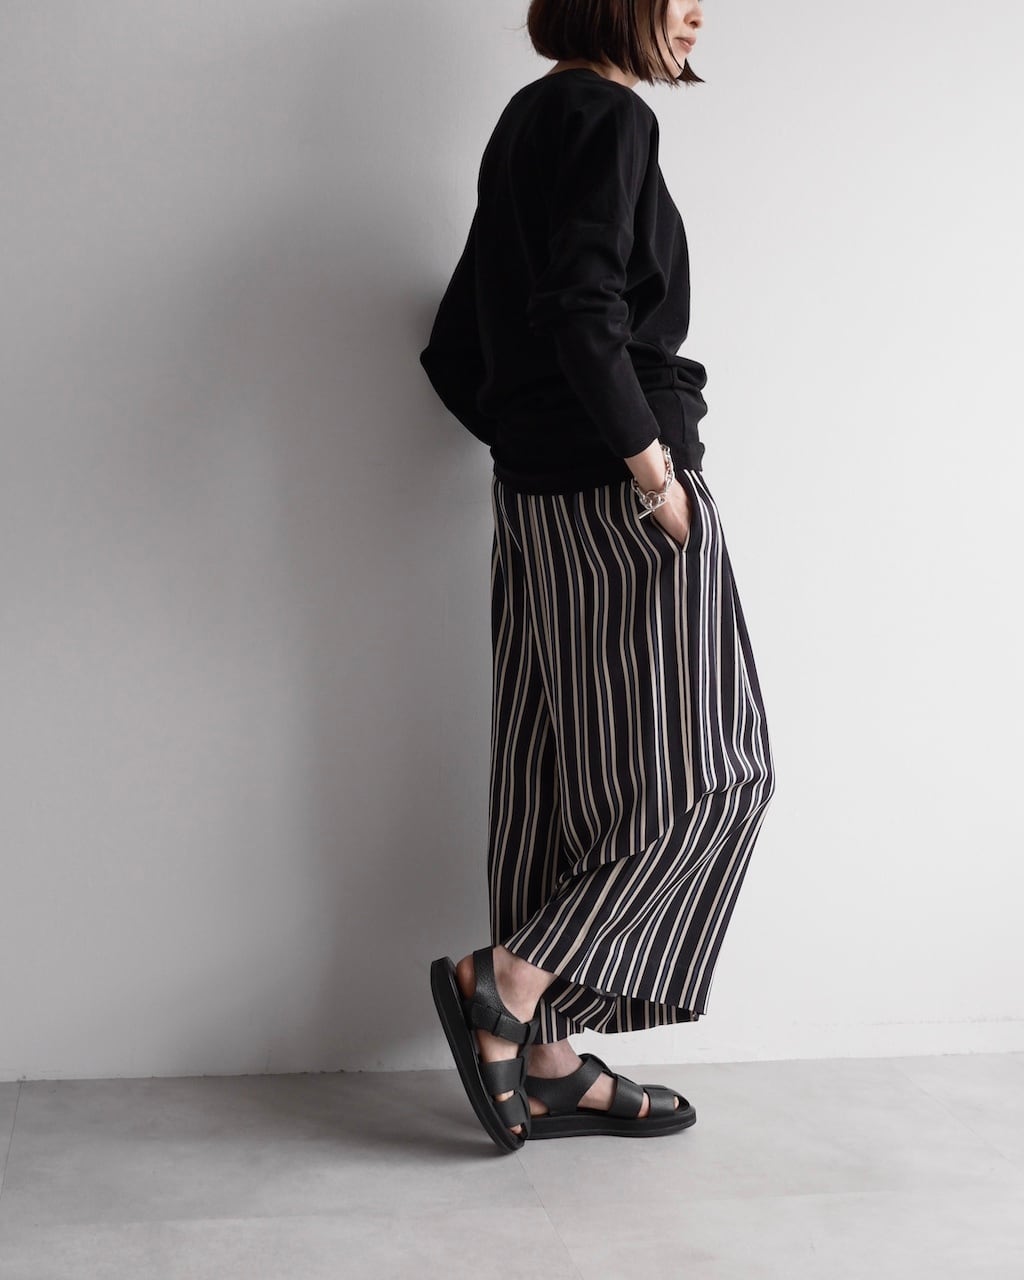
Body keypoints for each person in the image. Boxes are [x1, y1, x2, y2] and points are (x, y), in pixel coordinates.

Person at [420, 0, 777, 1153]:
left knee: (554, 786)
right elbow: (582, 314)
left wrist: (534, 445)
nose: (699, 10)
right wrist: (650, 475)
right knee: (718, 776)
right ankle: (508, 983)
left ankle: (550, 1059)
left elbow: (455, 346)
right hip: (624, 499)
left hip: (534, 500)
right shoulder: (611, 118)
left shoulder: (527, 119)